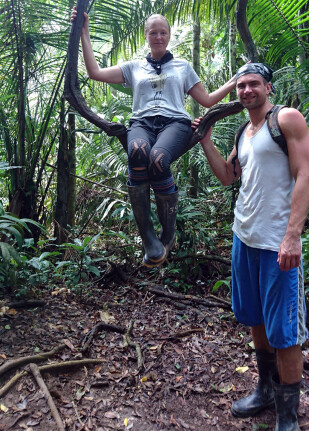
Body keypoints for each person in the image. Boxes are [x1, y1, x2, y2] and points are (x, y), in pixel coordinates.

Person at [197, 63, 309, 431]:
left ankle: (288, 423)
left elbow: (304, 175)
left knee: (284, 331)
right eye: (241, 84)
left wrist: (292, 235)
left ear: (267, 87)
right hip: (244, 239)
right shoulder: (243, 133)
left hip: (276, 245)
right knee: (255, 318)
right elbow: (229, 177)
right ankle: (265, 389)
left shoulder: (285, 119)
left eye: (253, 84)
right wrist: (207, 141)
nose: (246, 90)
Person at [71, 7, 236, 267]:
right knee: (137, 151)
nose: (158, 36)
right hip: (142, 123)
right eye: (153, 32)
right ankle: (147, 236)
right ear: (146, 35)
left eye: (163, 32)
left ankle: (167, 235)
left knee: (158, 159)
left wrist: (235, 81)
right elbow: (95, 73)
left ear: (169, 35)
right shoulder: (133, 67)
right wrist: (84, 32)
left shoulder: (183, 67)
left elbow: (206, 100)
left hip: (175, 123)